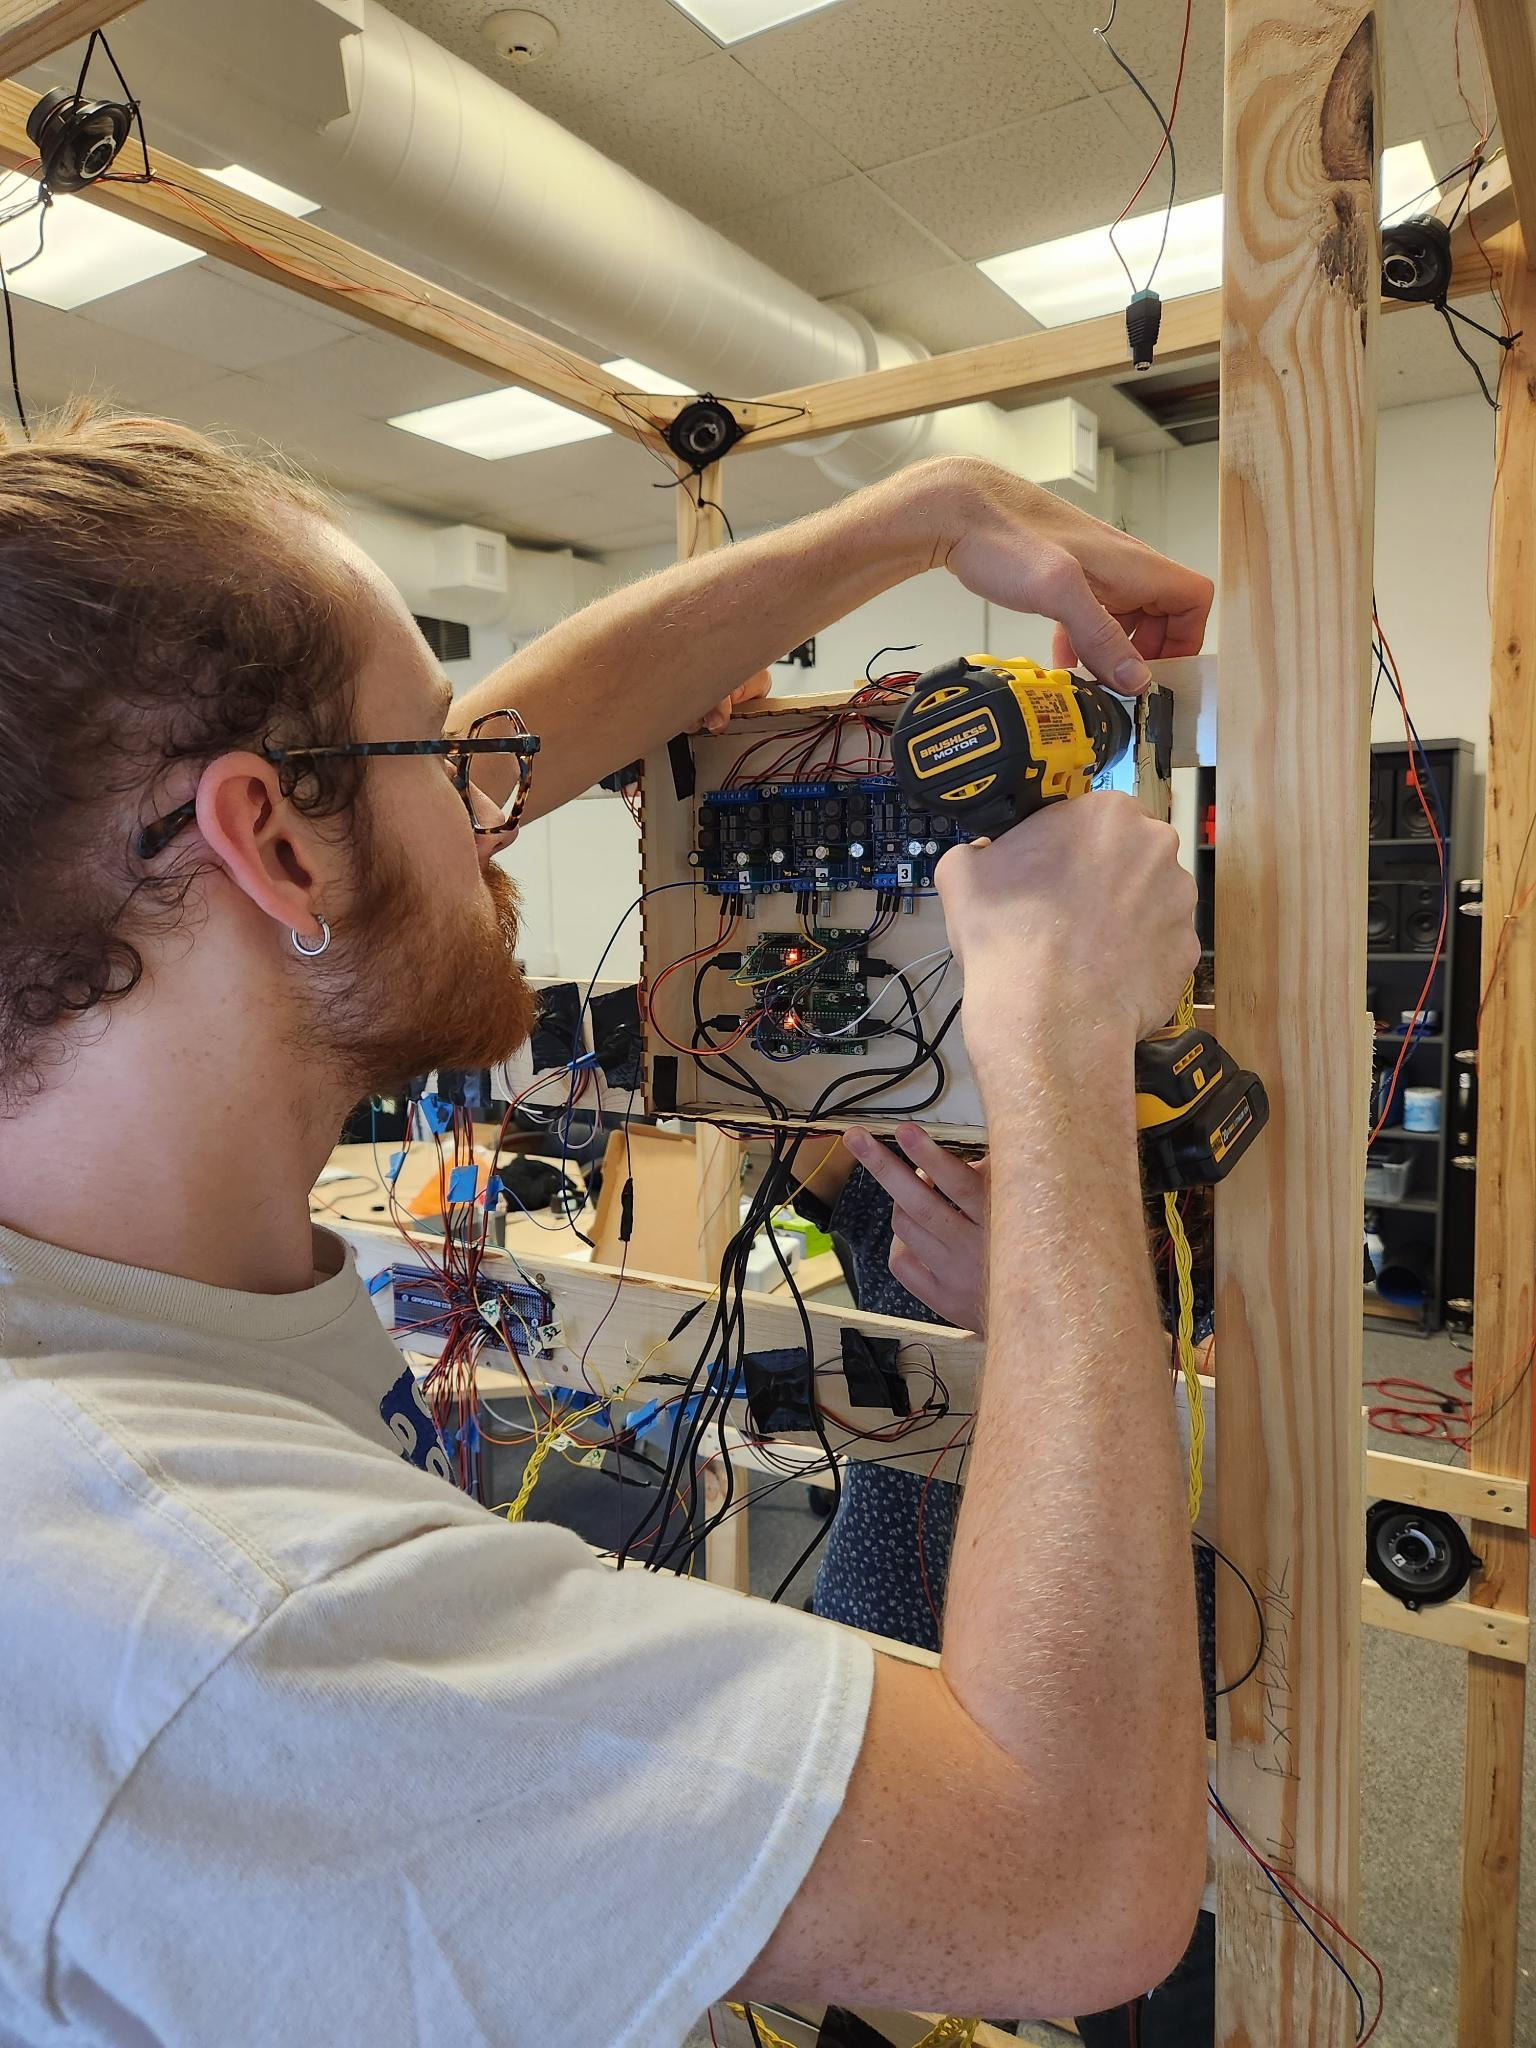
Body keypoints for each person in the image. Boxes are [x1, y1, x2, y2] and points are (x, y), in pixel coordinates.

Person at [0, 408, 1214, 2046]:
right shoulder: (223, 1609)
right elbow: (1069, 1873)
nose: (496, 799)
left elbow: (459, 768)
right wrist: (1059, 1043)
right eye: (446, 756)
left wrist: (910, 519)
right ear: (273, 845)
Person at [791, 1129, 1216, 2047]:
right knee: (892, 2004)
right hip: (905, 1632)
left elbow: (1247, 1421)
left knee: (1150, 1982)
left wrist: (1035, 1303)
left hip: (1127, 1669)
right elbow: (770, 1097)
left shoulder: (1216, 1140)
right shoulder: (908, 1103)